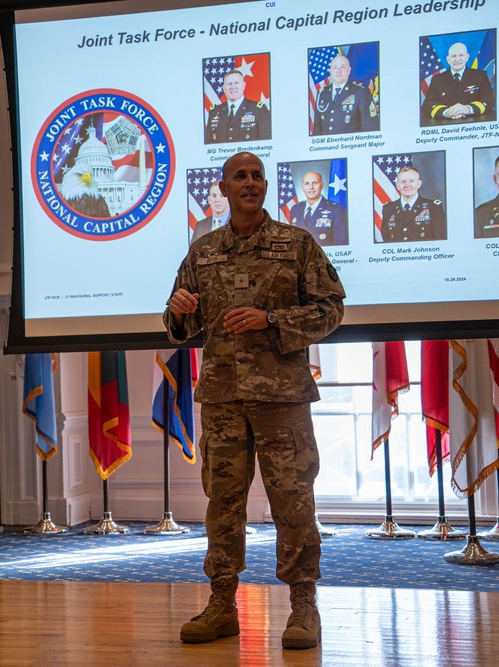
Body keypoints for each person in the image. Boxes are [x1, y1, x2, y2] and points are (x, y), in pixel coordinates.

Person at [164, 151, 345, 650]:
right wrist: (178, 313)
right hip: (222, 398)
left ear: (266, 186)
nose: (250, 182)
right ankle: (222, 604)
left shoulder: (297, 245)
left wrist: (273, 321)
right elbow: (183, 323)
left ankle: (304, 606)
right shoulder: (203, 252)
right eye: (240, 176)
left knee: (292, 502)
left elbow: (332, 309)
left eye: (257, 176)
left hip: (281, 398)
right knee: (223, 505)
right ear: (222, 188)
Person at [421, 42, 494, 126]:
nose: (457, 59)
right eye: (453, 56)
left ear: (467, 57)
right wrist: (447, 112)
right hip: (445, 126)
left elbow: (489, 100)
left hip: (474, 125)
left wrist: (467, 109)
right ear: (448, 59)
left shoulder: (480, 76)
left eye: (461, 55)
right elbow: (427, 104)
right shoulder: (437, 79)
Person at [312, 54, 377, 135]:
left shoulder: (361, 92)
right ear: (330, 71)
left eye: (343, 67)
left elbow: (370, 128)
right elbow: (317, 128)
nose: (338, 71)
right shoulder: (322, 93)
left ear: (349, 70)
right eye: (335, 67)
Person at [379, 166, 447, 242]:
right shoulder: (388, 209)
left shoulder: (433, 207)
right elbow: (386, 239)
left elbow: (440, 241)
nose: (407, 185)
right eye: (403, 181)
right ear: (398, 186)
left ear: (419, 184)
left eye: (411, 181)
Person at [205, 70, 271, 144]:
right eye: (229, 84)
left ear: (244, 85)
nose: (233, 87)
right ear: (223, 88)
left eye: (236, 83)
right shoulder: (214, 111)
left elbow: (265, 142)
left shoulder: (258, 110)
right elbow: (208, 142)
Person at [288, 171, 348, 246]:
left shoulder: (336, 210)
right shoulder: (295, 209)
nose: (311, 187)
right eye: (307, 184)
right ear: (302, 187)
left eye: (315, 183)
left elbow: (340, 243)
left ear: (322, 185)